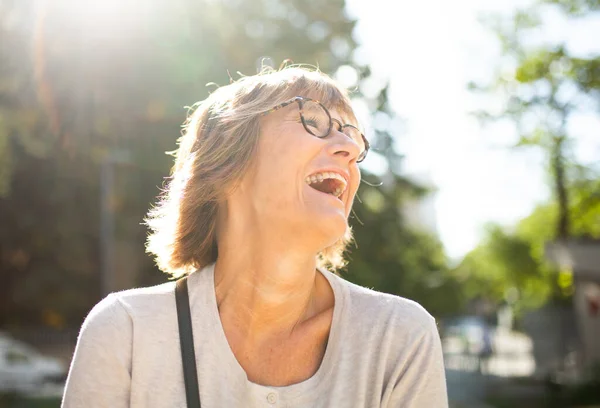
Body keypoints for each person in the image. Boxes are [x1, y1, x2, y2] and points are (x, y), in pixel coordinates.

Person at [62, 66, 448, 407]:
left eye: (354, 137)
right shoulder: (125, 332)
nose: (349, 148)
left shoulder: (398, 336)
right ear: (229, 160)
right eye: (313, 121)